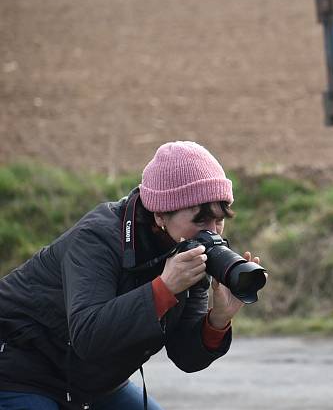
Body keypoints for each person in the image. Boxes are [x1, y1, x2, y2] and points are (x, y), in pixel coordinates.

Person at [0, 141, 259, 410]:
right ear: (160, 214)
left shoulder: (188, 251)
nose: (213, 232)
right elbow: (88, 335)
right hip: (19, 371)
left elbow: (186, 357)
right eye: (201, 221)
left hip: (92, 381)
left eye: (220, 219)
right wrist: (163, 289)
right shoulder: (98, 238)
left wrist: (217, 320)